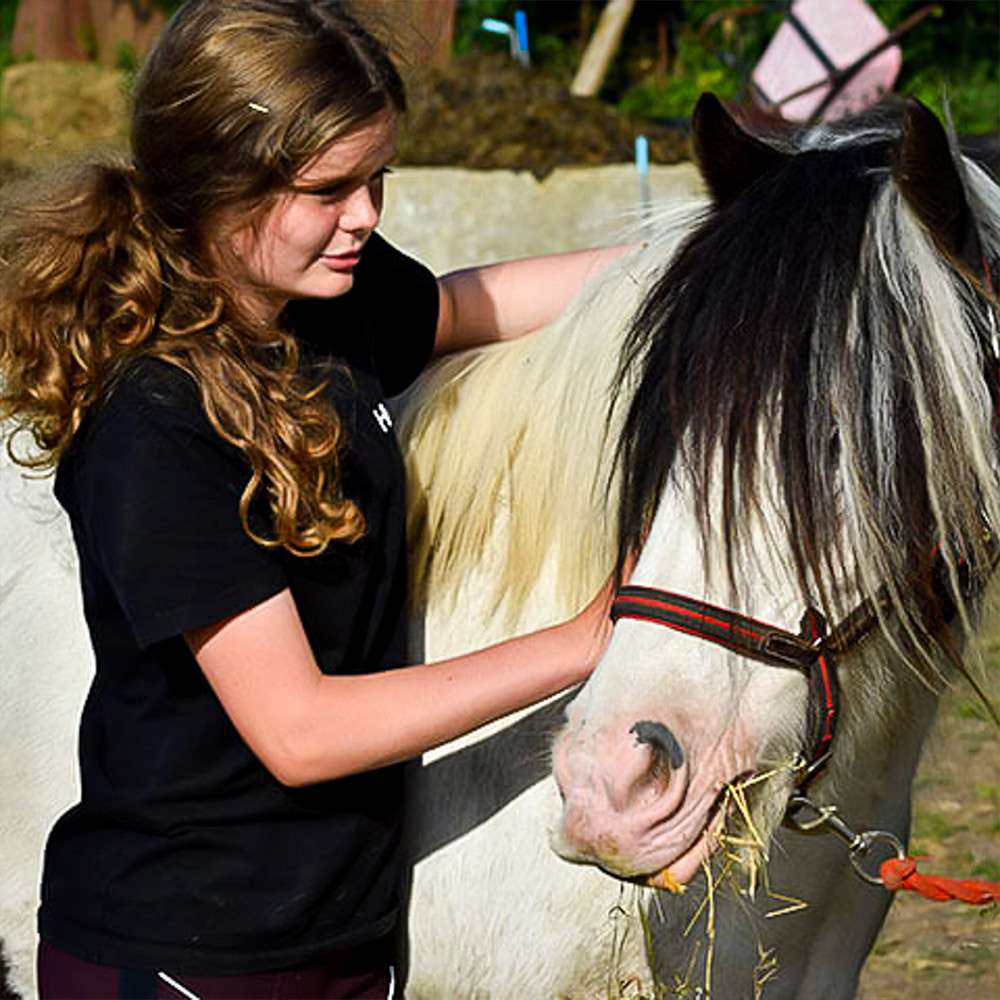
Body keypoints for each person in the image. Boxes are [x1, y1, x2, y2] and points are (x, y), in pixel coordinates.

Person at [0, 2, 628, 997]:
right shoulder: (153, 424)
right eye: (331, 187)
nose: (368, 213)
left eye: (376, 176)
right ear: (218, 187)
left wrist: (692, 255)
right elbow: (300, 731)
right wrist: (586, 638)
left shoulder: (328, 302)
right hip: (188, 957)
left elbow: (464, 306)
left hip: (333, 938)